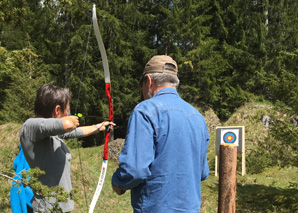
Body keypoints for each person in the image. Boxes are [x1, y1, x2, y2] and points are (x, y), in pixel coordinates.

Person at [111, 55, 209, 212]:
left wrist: (118, 182)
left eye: (142, 86)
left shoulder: (144, 111)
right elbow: (203, 172)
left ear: (148, 81)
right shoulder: (198, 117)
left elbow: (134, 170)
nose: (143, 91)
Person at [20, 84, 115, 212]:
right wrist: (71, 120)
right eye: (68, 110)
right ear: (57, 110)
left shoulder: (49, 134)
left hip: (60, 206)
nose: (69, 114)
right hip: (46, 209)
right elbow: (68, 124)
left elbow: (75, 131)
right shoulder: (30, 126)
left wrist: (99, 127)